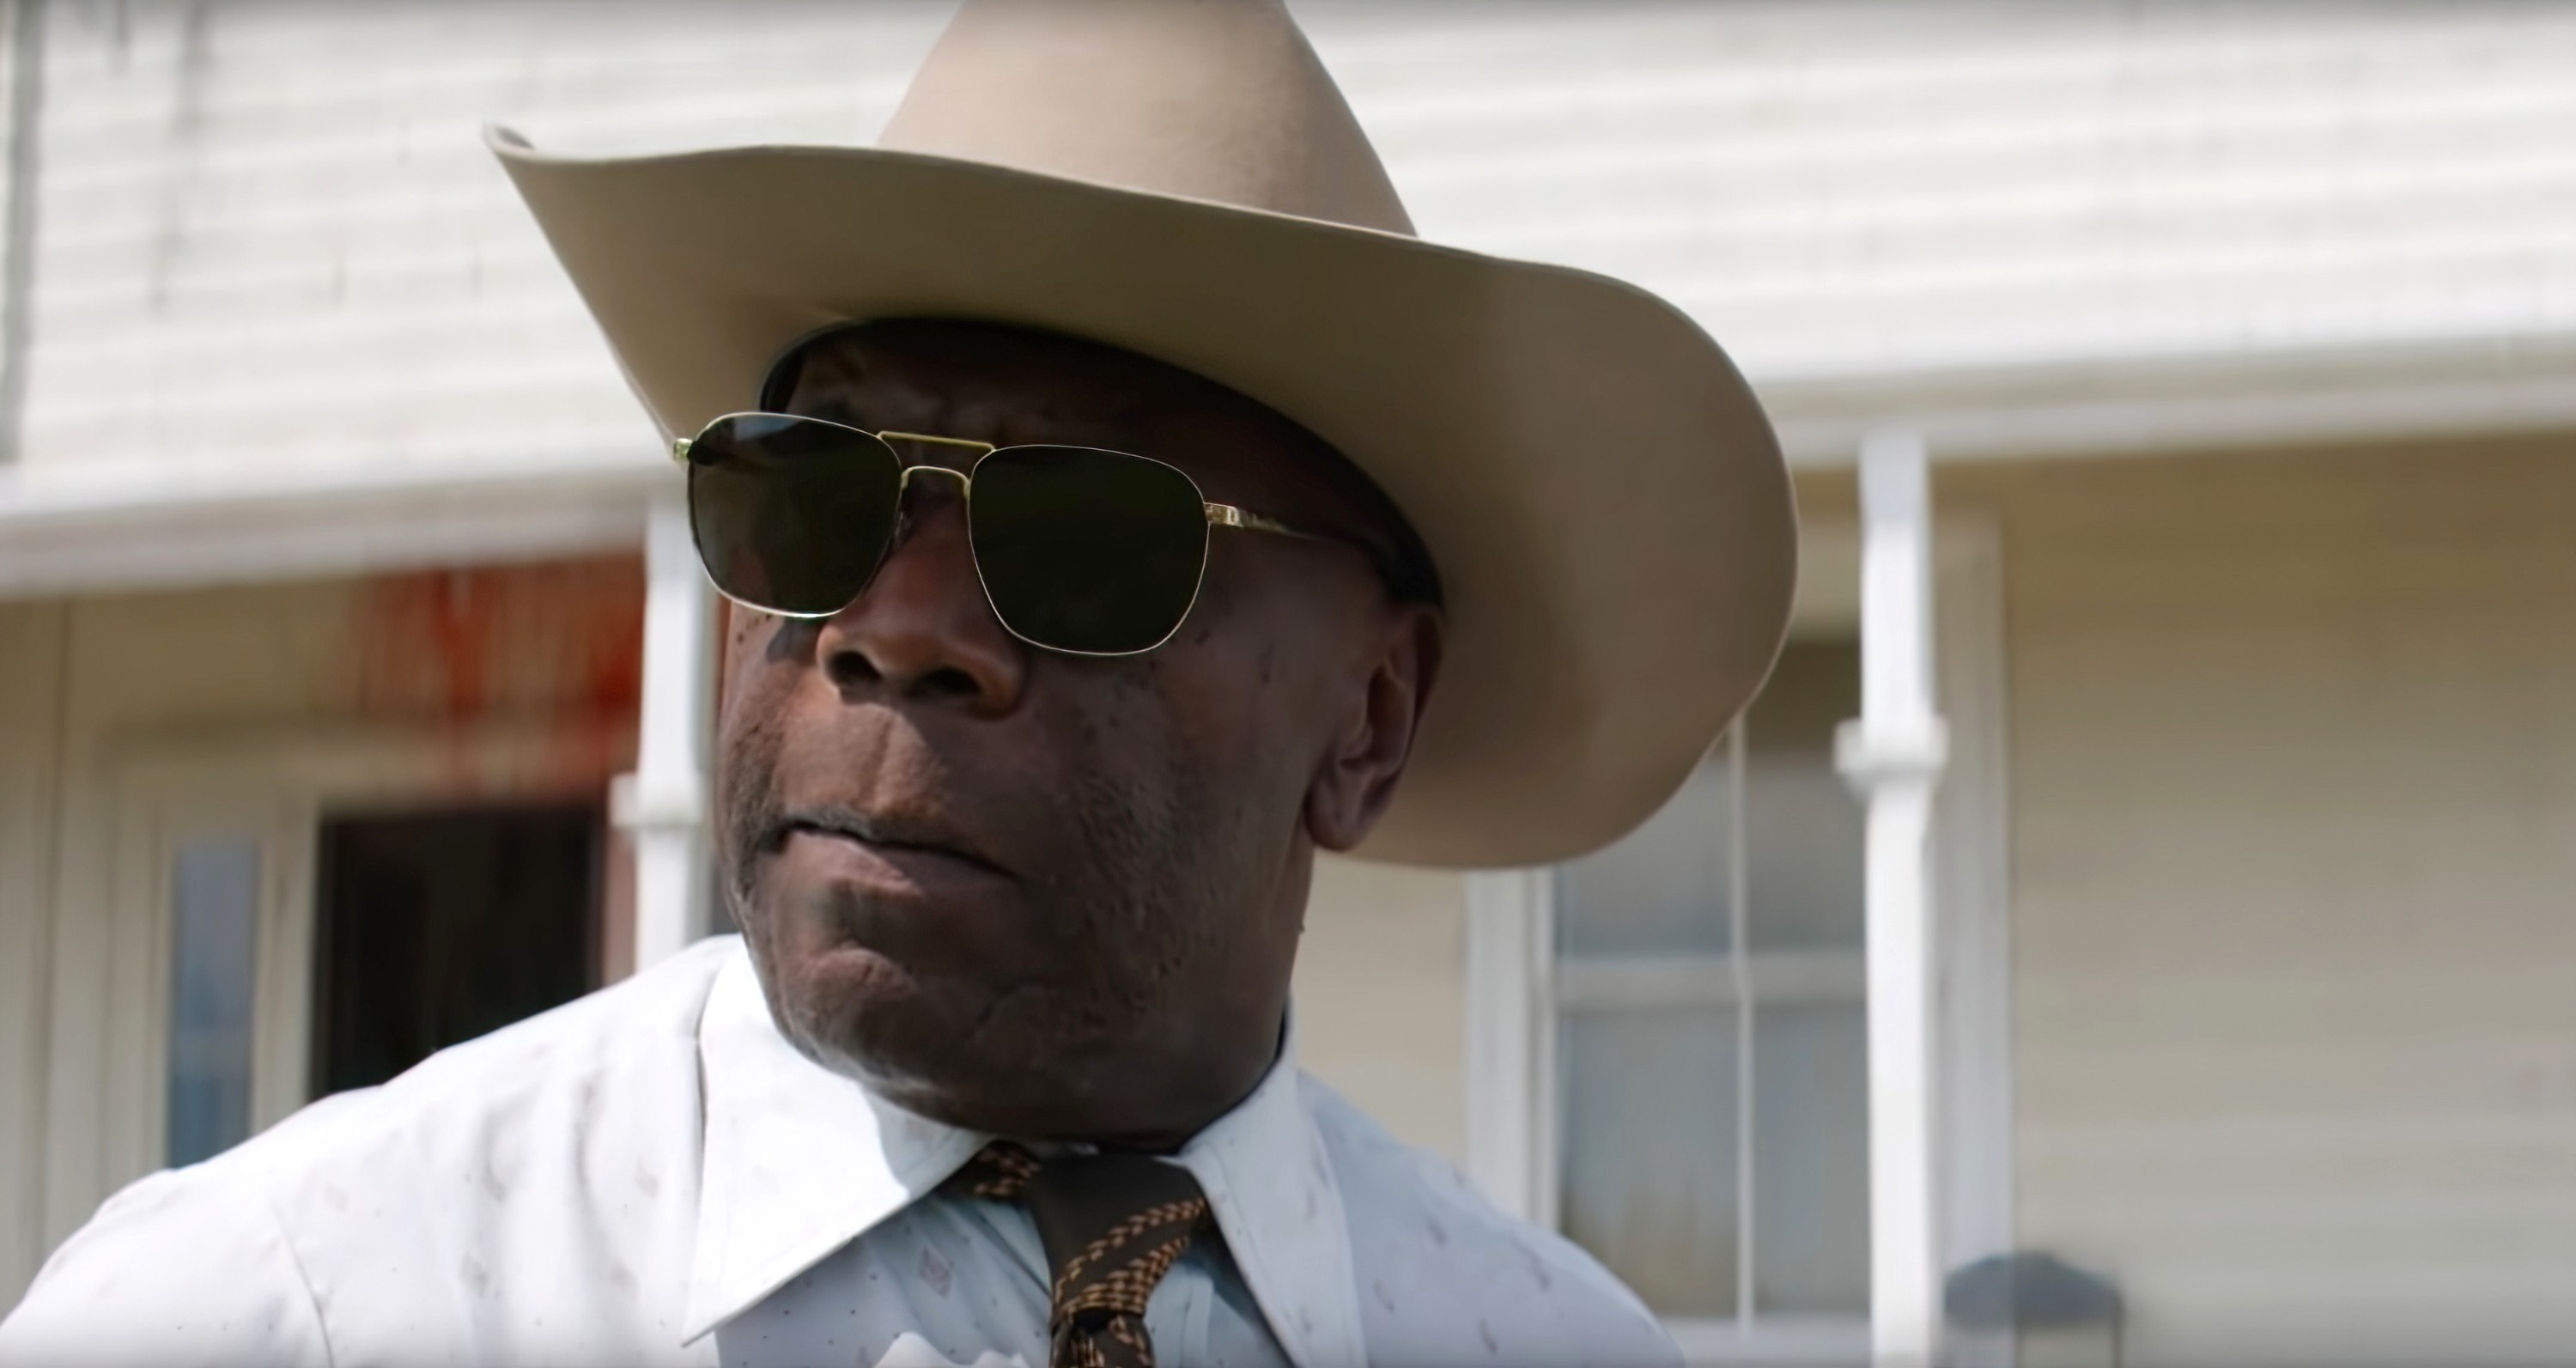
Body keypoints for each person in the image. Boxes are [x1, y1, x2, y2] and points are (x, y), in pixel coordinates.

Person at [0, 1, 1794, 1365]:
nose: (895, 617)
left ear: (1371, 718)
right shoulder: (295, 1308)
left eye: (1092, 533)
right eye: (814, 492)